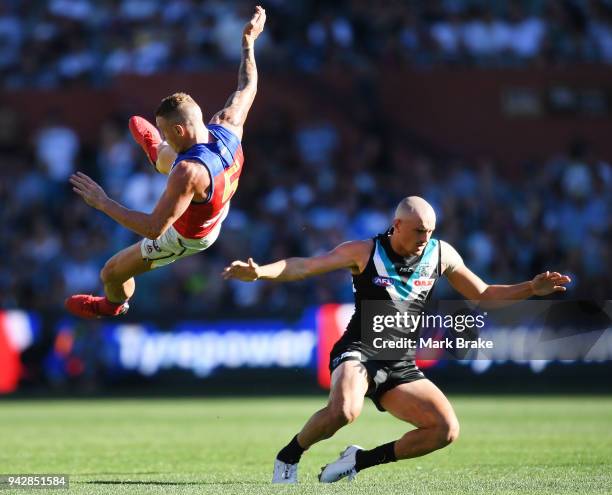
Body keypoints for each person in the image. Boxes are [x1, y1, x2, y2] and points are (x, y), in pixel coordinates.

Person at [222, 196, 571, 484]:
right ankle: (289, 456)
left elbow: (482, 293)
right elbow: (305, 266)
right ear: (398, 225)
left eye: (431, 231)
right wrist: (260, 272)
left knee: (445, 430)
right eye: (419, 230)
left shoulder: (440, 254)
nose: (425, 238)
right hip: (358, 352)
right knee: (344, 412)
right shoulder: (364, 251)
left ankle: (358, 461)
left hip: (400, 362)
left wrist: (530, 288)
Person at [65, 6, 266, 319]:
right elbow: (247, 85)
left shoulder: (187, 173)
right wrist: (248, 42)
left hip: (189, 235)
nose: (164, 134)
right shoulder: (227, 123)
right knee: (170, 157)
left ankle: (113, 305)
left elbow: (154, 228)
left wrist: (102, 202)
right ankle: (158, 154)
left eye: (164, 132)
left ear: (178, 129)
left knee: (111, 273)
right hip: (215, 186)